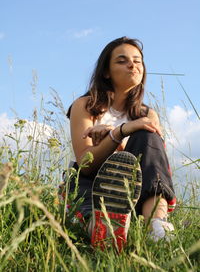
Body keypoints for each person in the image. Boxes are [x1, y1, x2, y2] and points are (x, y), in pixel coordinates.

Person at [64, 36, 176, 252]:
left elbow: (152, 165)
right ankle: (103, 231)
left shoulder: (146, 114)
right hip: (90, 179)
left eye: (137, 60)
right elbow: (86, 164)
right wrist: (118, 133)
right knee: (92, 210)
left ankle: (157, 225)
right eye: (122, 60)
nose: (132, 65)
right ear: (106, 71)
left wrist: (114, 137)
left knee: (147, 132)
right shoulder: (86, 105)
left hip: (135, 183)